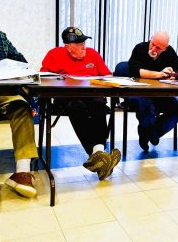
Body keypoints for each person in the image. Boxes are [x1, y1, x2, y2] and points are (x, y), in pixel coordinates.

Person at [0, 0, 38, 205]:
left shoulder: (0, 36)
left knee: (21, 106)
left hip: (1, 90)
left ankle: (22, 172)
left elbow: (21, 61)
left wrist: (13, 70)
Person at [40, 26, 121, 180]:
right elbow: (43, 77)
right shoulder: (54, 54)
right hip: (66, 98)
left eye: (84, 42)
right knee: (77, 106)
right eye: (78, 44)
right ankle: (99, 157)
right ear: (68, 47)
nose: (83, 46)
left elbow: (107, 75)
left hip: (92, 96)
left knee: (99, 106)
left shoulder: (92, 54)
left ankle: (98, 155)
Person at [128, 30, 178, 151]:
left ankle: (149, 133)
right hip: (139, 92)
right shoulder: (140, 48)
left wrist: (172, 73)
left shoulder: (169, 52)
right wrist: (159, 74)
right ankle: (149, 131)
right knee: (148, 108)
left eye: (158, 48)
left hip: (161, 93)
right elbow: (135, 71)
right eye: (152, 44)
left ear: (165, 48)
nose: (154, 49)